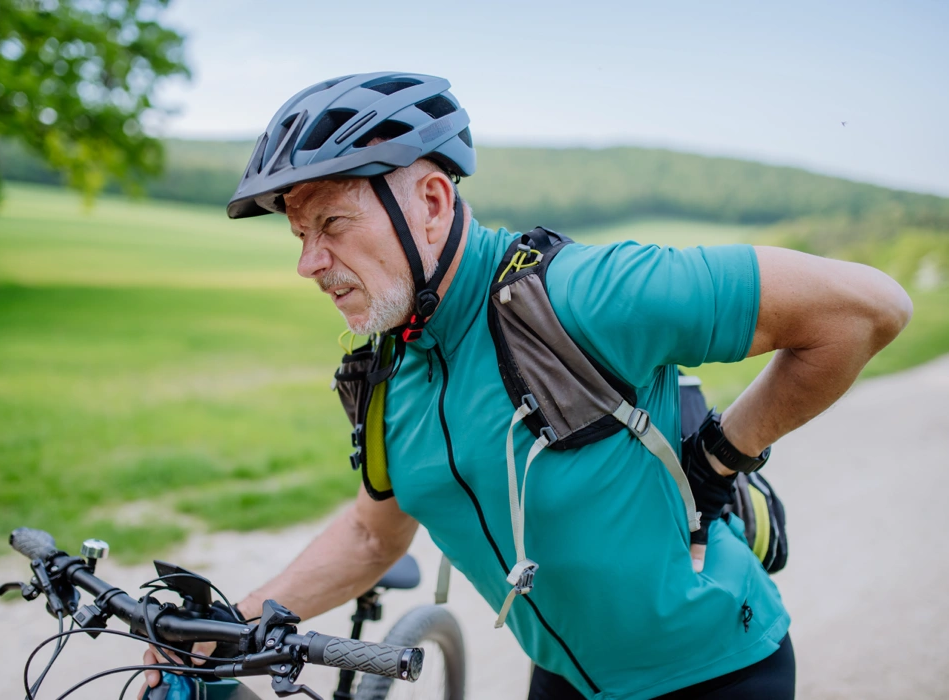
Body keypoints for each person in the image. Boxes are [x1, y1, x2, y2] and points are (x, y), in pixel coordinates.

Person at [140, 72, 911, 699]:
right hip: (567, 681)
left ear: (432, 204)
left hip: (715, 672)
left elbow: (865, 310)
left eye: (333, 224)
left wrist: (724, 453)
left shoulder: (584, 294)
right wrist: (229, 620)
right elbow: (376, 535)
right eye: (299, 234)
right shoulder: (387, 371)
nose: (308, 263)